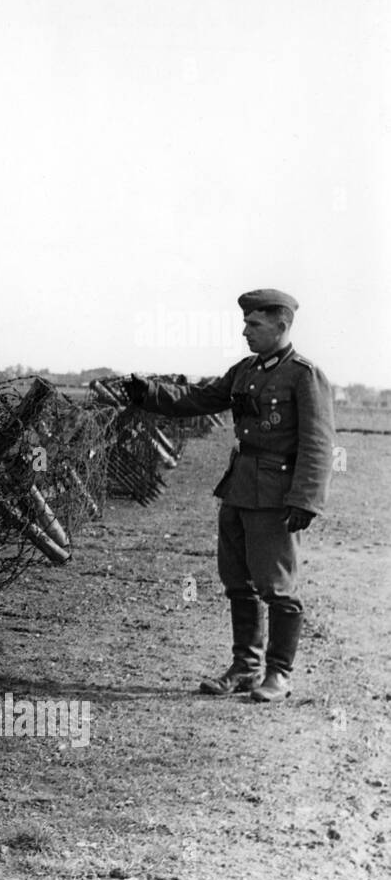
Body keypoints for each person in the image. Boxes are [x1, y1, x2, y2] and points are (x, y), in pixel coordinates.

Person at [123, 288, 335, 703]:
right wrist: (148, 392)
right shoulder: (246, 370)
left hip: (276, 495)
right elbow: (201, 398)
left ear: (281, 325)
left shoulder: (304, 375)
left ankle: (278, 674)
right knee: (237, 582)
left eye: (254, 324)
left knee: (277, 586)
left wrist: (306, 499)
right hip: (238, 489)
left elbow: (318, 442)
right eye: (245, 323)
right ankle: (245, 668)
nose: (245, 332)